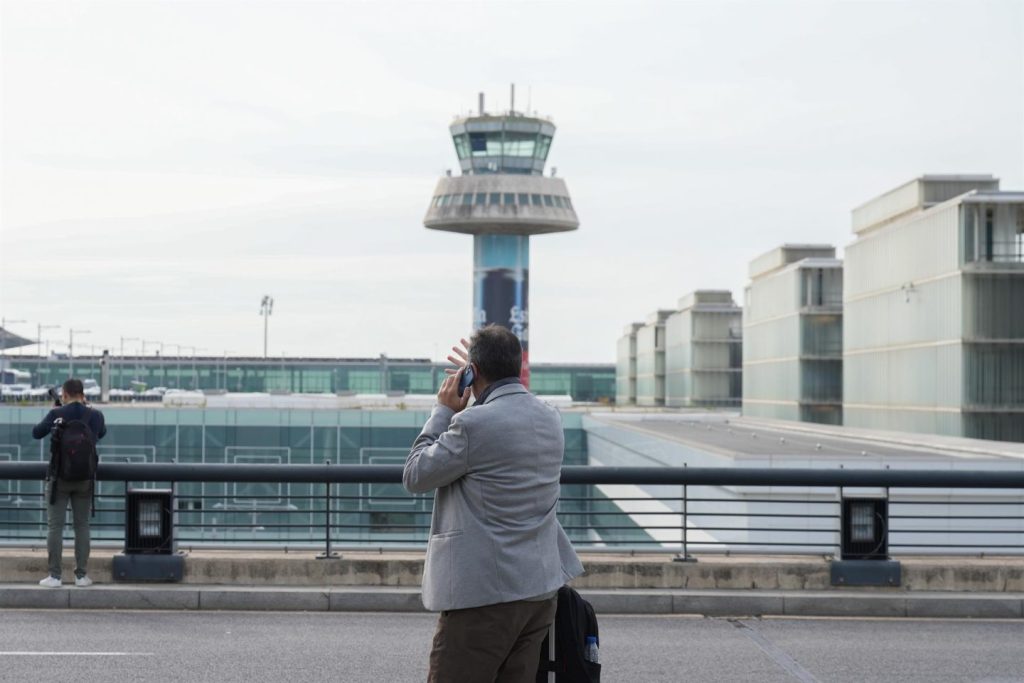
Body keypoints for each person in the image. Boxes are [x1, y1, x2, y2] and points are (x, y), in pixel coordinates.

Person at [404, 326, 584, 683]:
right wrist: (480, 371)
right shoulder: (550, 417)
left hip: (485, 598)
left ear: (472, 373)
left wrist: (442, 411)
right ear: (517, 365)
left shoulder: (470, 424)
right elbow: (503, 428)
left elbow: (415, 474)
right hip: (538, 592)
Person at [32, 378, 107, 588]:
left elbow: (36, 433)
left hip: (59, 479)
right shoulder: (95, 415)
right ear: (83, 395)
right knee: (82, 526)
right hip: (85, 478)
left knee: (55, 527)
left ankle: (55, 577)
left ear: (64, 395)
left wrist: (55, 413)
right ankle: (81, 576)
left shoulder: (56, 414)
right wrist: (88, 409)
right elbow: (101, 433)